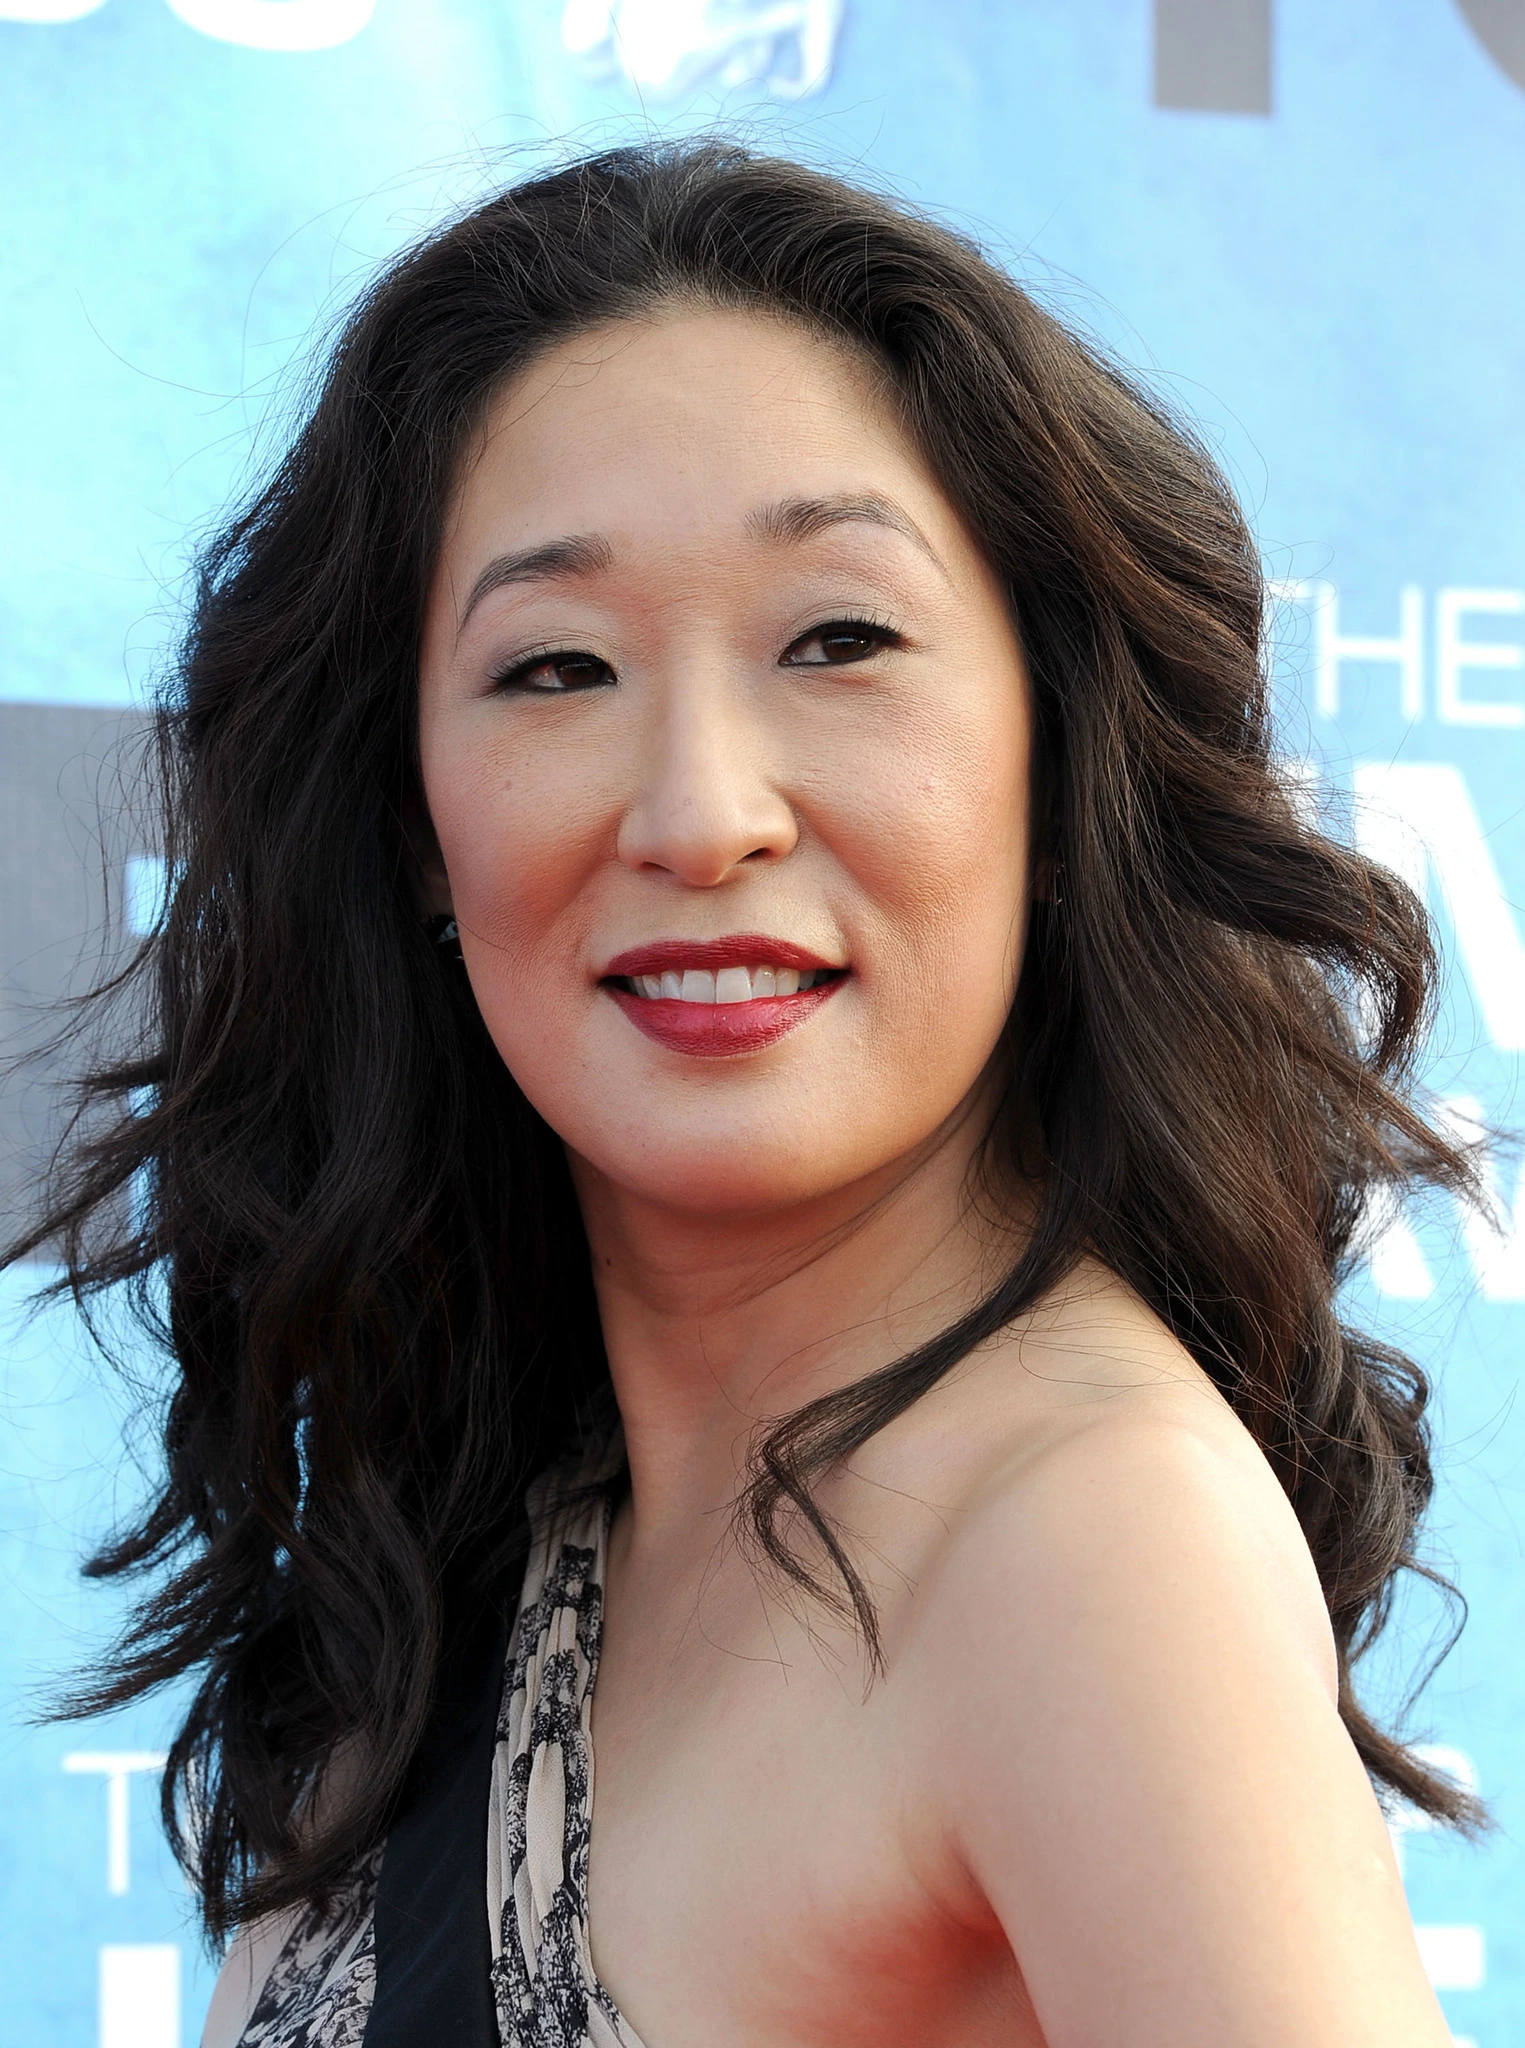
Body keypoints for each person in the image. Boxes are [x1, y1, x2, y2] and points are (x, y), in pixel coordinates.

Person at [13, 141, 1483, 2047]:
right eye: (558, 669)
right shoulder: (474, 1535)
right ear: (414, 830)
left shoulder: (1083, 1541)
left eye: (838, 641)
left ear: (1064, 767)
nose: (703, 813)